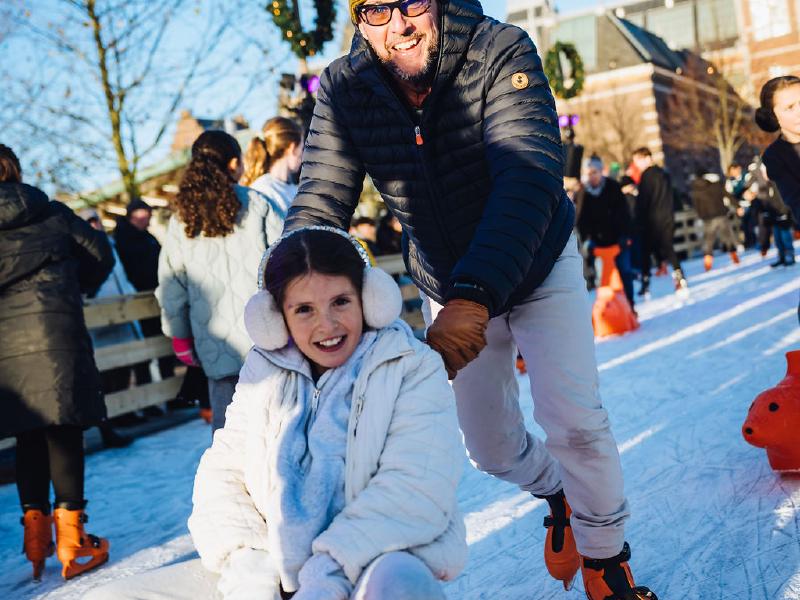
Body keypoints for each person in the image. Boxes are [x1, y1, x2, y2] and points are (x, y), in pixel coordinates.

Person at [282, 0, 657, 597]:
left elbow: (528, 174)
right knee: (488, 444)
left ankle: (606, 558)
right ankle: (557, 490)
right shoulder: (344, 87)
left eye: (411, 3)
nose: (398, 25)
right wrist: (287, 294)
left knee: (575, 422)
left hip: (535, 262)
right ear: (358, 20)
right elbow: (321, 198)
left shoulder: (499, 50)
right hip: (443, 277)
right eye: (376, 10)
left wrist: (476, 295)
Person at [83, 227, 466, 600]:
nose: (327, 325)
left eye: (340, 302)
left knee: (398, 585)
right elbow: (223, 476)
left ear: (369, 299)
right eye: (304, 310)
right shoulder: (264, 372)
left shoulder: (410, 366)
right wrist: (250, 567)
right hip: (274, 570)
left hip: (373, 561)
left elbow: (414, 486)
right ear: (275, 317)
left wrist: (327, 575)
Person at [0, 144, 112, 581]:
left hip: (5, 348)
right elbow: (100, 253)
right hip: (56, 334)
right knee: (63, 430)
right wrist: (75, 286)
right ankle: (72, 541)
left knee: (28, 436)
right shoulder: (51, 213)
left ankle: (36, 542)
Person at [155, 130, 269, 433]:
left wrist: (179, 337)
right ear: (234, 164)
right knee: (275, 422)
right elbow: (288, 260)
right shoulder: (258, 205)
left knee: (229, 432)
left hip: (214, 343)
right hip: (266, 335)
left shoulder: (182, 220)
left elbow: (171, 285)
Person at [79, 208, 138, 449]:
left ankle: (124, 411)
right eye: (89, 222)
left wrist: (130, 293)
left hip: (121, 311)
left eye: (96, 221)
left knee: (124, 365)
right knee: (104, 373)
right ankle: (109, 421)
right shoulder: (80, 248)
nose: (94, 225)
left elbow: (120, 274)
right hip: (99, 315)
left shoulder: (111, 244)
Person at [114, 197, 174, 395]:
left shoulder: (147, 237)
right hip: (137, 300)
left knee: (164, 343)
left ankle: (171, 392)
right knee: (142, 351)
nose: (149, 220)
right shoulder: (123, 239)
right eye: (146, 215)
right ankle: (148, 396)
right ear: (136, 214)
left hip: (156, 296)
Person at [575, 156, 636, 308]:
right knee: (603, 279)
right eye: (588, 173)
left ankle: (629, 306)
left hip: (618, 241)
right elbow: (582, 219)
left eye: (594, 172)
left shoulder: (613, 187)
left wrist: (624, 235)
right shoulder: (583, 193)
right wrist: (588, 240)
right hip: (599, 245)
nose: (592, 176)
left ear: (601, 171)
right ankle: (607, 310)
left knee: (625, 273)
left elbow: (624, 213)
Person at [630, 147, 687, 296]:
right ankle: (679, 277)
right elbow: (672, 196)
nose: (637, 165)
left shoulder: (646, 177)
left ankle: (645, 283)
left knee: (645, 252)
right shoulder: (664, 174)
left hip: (651, 220)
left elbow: (644, 201)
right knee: (669, 247)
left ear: (646, 158)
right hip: (667, 216)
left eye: (638, 161)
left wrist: (638, 219)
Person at [240, 116, 304, 242]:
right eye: (302, 148)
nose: (303, 154)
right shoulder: (263, 190)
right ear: (291, 148)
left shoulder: (292, 187)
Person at [688, 168, 740, 271]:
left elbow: (696, 206)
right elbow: (728, 195)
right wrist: (737, 206)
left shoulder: (695, 190)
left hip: (708, 218)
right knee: (727, 237)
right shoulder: (716, 185)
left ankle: (708, 263)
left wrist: (701, 216)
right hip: (721, 214)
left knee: (708, 240)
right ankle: (734, 257)